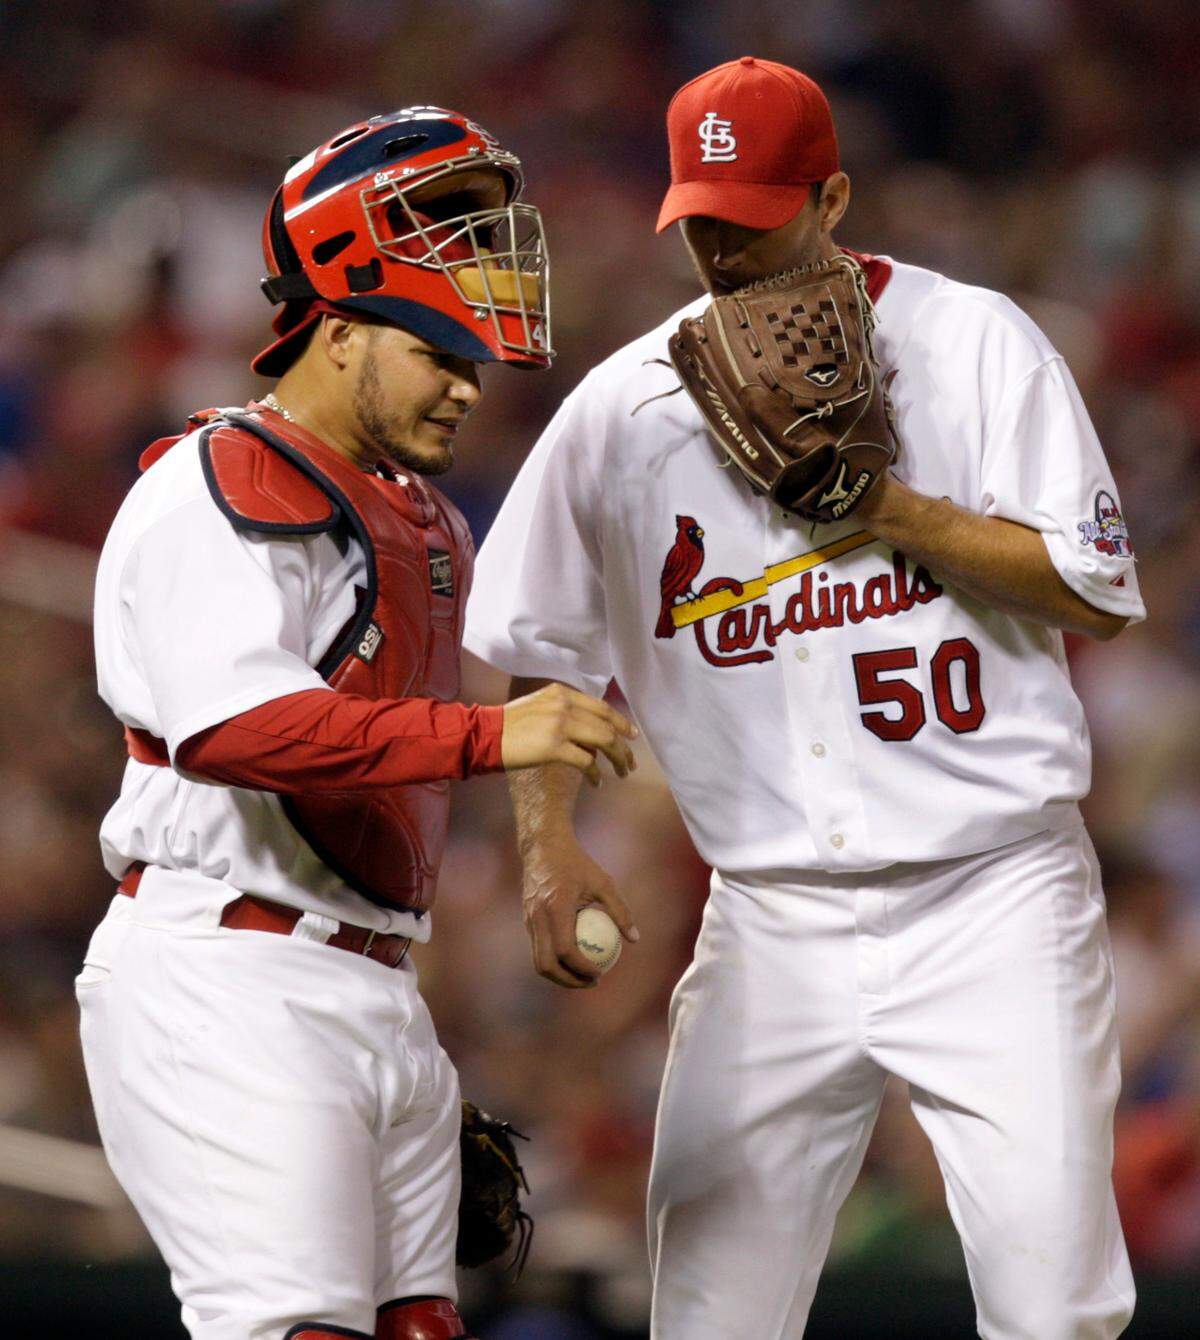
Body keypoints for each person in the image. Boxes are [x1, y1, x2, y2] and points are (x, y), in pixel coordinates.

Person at [464, 58, 1143, 1339]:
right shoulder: (624, 410)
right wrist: (548, 848)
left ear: (831, 196)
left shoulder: (974, 341)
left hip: (991, 893)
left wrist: (887, 507)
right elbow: (539, 641)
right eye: (700, 218)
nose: (720, 246)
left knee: (1058, 1310)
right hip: (770, 920)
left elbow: (1095, 588)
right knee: (709, 1314)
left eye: (754, 212)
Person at [77, 105, 636, 1340]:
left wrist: (546, 846)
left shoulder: (424, 517)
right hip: (224, 971)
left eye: (475, 361)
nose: (463, 384)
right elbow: (238, 729)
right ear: (333, 334)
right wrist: (495, 737)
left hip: (372, 979)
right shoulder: (215, 484)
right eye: (437, 349)